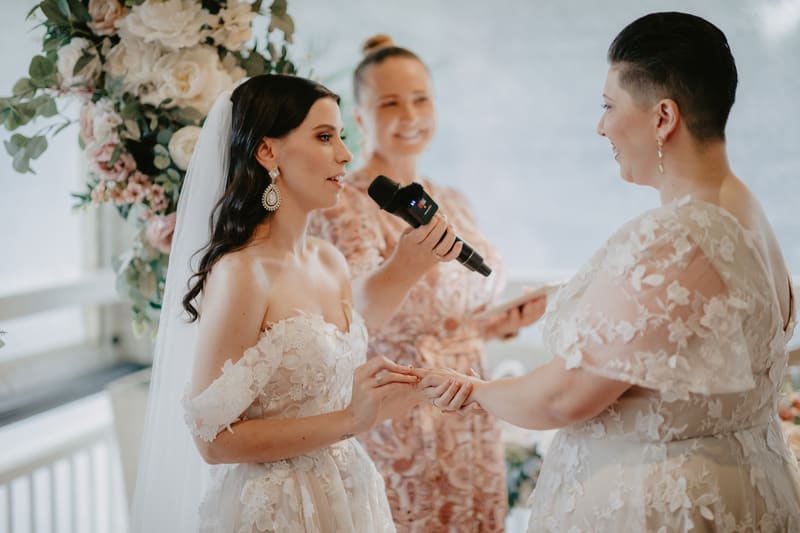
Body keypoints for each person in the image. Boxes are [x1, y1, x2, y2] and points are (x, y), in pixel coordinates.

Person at [419, 12, 800, 532]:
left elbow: (561, 399)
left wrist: (472, 388)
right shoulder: (748, 211)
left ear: (663, 117)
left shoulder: (681, 236)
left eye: (608, 106)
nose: (601, 126)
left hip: (664, 510)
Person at [130, 74, 464, 532]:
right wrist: (349, 419)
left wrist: (423, 388)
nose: (345, 155)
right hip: (277, 509)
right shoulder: (242, 273)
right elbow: (213, 442)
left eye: (341, 137)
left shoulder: (330, 261)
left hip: (349, 495)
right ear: (268, 151)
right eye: (325, 137)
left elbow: (335, 405)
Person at [310, 35, 546, 532]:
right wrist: (406, 264)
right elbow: (350, 317)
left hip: (470, 416)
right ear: (359, 118)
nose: (410, 115)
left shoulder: (451, 200)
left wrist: (494, 324)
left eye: (421, 100)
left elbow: (447, 313)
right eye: (390, 103)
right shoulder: (342, 205)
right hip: (396, 420)